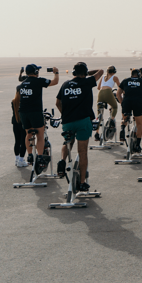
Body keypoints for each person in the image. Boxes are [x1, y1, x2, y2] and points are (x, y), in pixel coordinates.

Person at [54, 62, 103, 190]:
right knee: (82, 152)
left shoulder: (65, 84)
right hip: (83, 121)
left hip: (68, 121)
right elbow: (101, 71)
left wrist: (65, 114)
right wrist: (88, 74)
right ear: (85, 73)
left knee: (67, 142)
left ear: (74, 73)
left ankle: (62, 161)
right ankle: (82, 183)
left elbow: (57, 102)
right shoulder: (86, 82)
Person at [14, 64, 58, 168]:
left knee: (28, 133)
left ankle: (29, 156)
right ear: (36, 72)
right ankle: (40, 156)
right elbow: (55, 82)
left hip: (23, 112)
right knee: (40, 134)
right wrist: (56, 72)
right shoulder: (38, 81)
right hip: (35, 111)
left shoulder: (23, 84)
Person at [117, 69, 142, 143]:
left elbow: (118, 94)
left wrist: (122, 103)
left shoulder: (125, 81)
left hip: (127, 102)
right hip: (138, 103)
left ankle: (122, 128)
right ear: (139, 75)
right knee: (139, 124)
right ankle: (138, 144)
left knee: (124, 119)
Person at [96, 66, 119, 135]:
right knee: (115, 107)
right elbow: (120, 87)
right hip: (108, 92)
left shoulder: (103, 77)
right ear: (114, 72)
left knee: (99, 113)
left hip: (100, 93)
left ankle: (97, 133)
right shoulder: (115, 77)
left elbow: (98, 87)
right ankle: (111, 120)